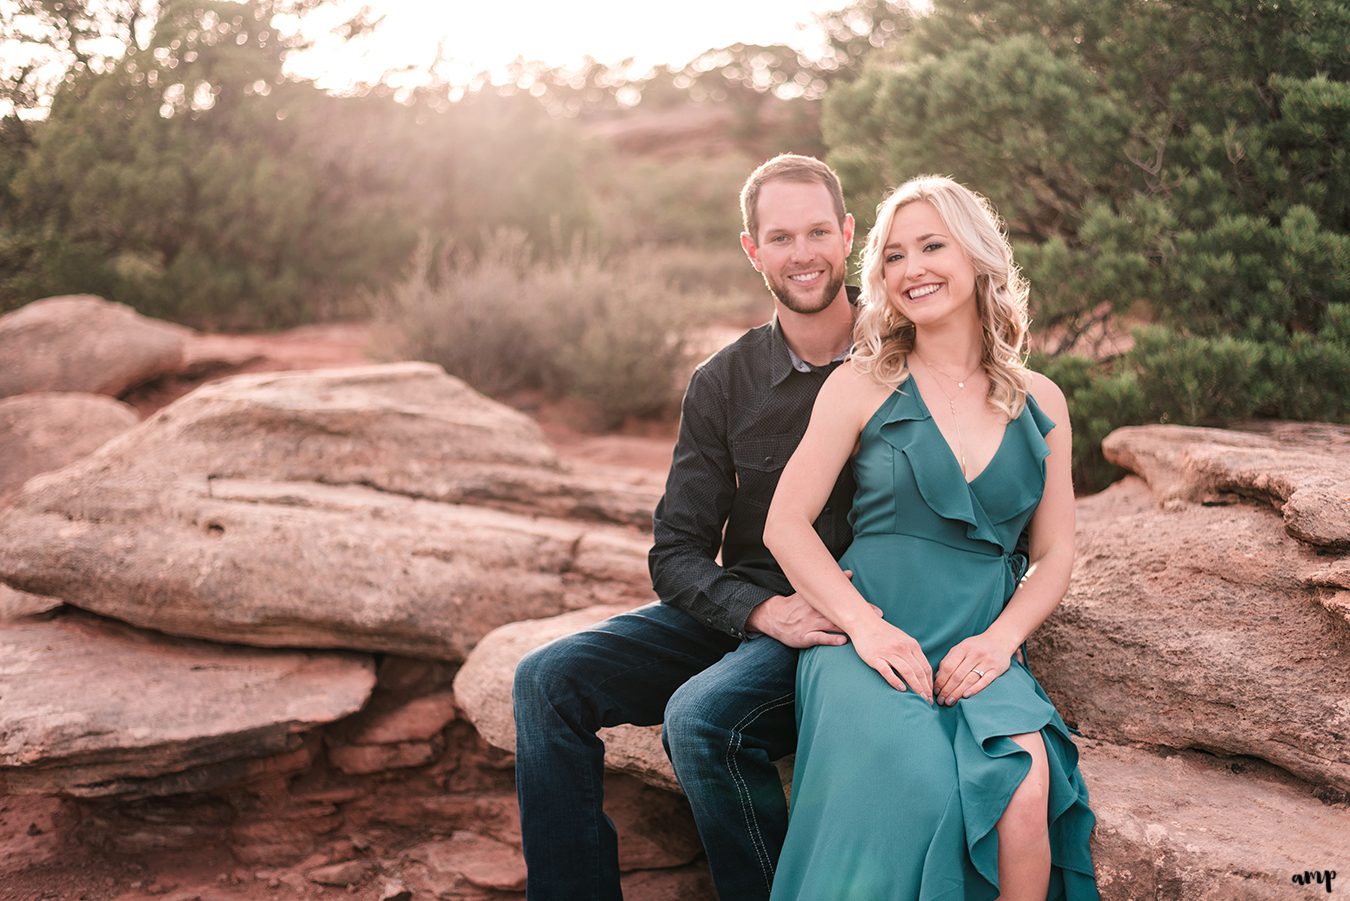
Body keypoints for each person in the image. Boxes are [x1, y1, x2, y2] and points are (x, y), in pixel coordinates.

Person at [512, 154, 882, 901]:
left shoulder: (900, 358)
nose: (801, 253)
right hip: (752, 612)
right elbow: (675, 553)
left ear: (848, 235)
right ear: (752, 250)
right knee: (545, 679)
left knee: (702, 719)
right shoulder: (722, 380)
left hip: (844, 624)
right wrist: (758, 609)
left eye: (817, 231)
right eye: (780, 237)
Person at [763, 175, 1099, 899]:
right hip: (870, 638)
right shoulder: (860, 384)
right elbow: (784, 523)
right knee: (922, 784)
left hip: (981, 638)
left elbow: (1055, 552)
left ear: (976, 255)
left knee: (1025, 785)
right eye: (893, 255)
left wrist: (1003, 639)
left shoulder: (1041, 400)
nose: (912, 269)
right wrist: (866, 628)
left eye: (931, 246)